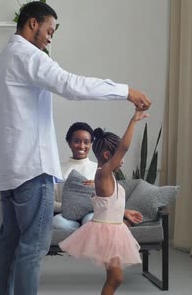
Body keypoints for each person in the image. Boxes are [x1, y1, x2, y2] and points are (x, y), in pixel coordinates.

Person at [0, 1, 151, 295]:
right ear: (32, 23)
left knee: (9, 244)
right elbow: (72, 85)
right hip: (33, 171)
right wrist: (125, 91)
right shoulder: (28, 57)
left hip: (9, 172)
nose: (50, 37)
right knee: (32, 249)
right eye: (49, 30)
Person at [59, 108, 149, 295]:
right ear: (108, 156)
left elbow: (109, 204)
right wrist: (133, 121)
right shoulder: (103, 173)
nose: (123, 159)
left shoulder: (106, 177)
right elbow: (124, 147)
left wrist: (125, 212)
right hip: (107, 233)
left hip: (115, 229)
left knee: (115, 278)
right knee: (116, 278)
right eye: (119, 156)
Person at [54, 122, 144, 231]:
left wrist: (96, 188)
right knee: (57, 221)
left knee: (92, 220)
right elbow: (51, 202)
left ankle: (84, 232)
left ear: (91, 144)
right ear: (69, 142)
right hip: (67, 215)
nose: (82, 146)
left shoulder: (100, 169)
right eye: (77, 141)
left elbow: (108, 200)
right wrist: (69, 206)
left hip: (93, 213)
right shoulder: (57, 169)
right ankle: (81, 232)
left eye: (86, 142)